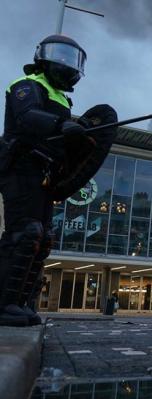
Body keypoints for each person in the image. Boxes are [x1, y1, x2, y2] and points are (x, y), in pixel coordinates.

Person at [0, 35, 107, 327]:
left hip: (46, 175)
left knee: (42, 238)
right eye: (60, 55)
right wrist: (62, 124)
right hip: (22, 168)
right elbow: (27, 118)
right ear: (42, 58)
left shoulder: (62, 98)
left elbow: (64, 142)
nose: (67, 64)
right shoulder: (27, 85)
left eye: (73, 58)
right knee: (24, 233)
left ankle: (20, 301)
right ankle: (3, 303)